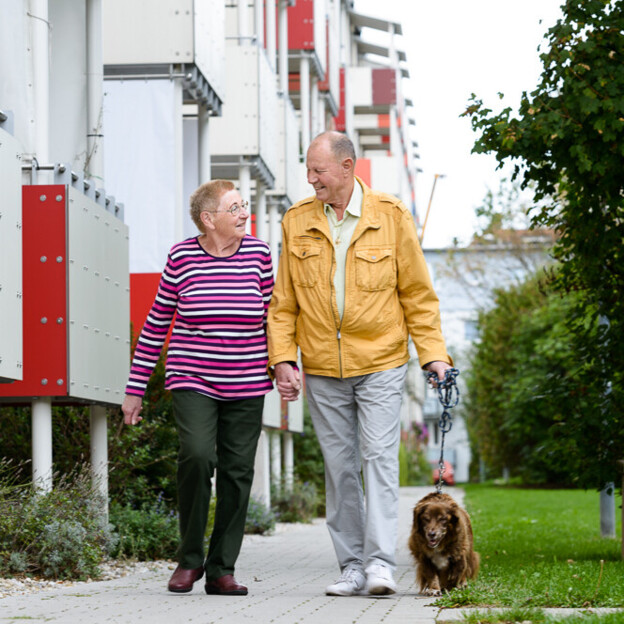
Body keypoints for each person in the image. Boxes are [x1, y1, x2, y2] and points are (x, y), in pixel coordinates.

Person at [267, 131, 452, 597]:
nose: (311, 180)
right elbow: (283, 302)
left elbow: (417, 293)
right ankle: (351, 566)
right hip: (324, 367)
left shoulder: (390, 217)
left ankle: (380, 565)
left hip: (382, 361)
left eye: (319, 171)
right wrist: (284, 358)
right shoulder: (296, 221)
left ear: (348, 167)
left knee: (378, 460)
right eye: (308, 171)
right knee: (340, 467)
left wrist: (432, 355)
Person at [121, 180, 273, 596]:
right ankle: (189, 558)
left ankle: (222, 568)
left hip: (247, 379)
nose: (245, 214)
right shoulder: (183, 256)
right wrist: (135, 389)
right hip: (193, 377)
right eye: (235, 207)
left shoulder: (259, 255)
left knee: (238, 473)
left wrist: (287, 366)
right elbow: (156, 324)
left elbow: (275, 318)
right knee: (197, 456)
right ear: (209, 219)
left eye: (244, 206)